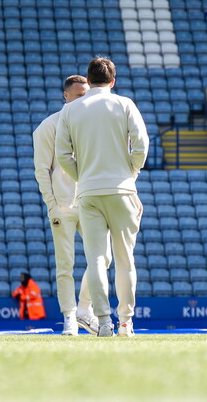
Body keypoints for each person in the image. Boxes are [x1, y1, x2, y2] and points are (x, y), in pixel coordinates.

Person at [55, 57, 148, 338]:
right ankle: (125, 322)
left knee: (95, 258)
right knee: (124, 259)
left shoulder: (71, 110)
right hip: (121, 189)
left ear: (89, 78)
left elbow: (62, 154)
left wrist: (82, 176)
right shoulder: (124, 104)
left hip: (89, 191)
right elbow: (141, 145)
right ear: (112, 81)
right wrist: (131, 171)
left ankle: (104, 322)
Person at [33, 74, 109, 336]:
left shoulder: (93, 123)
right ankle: (68, 317)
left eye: (86, 94)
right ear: (66, 96)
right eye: (78, 95)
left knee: (104, 257)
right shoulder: (48, 126)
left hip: (90, 200)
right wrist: (51, 204)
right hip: (63, 205)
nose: (83, 99)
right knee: (65, 264)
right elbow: (42, 170)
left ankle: (84, 309)